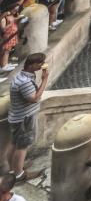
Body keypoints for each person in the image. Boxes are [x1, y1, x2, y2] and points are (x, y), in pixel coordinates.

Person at [7, 52, 48, 183]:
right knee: (22, 146)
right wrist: (45, 80)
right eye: (40, 63)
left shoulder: (21, 75)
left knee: (14, 143)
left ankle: (13, 169)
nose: (42, 65)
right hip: (24, 118)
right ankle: (19, 175)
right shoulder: (24, 82)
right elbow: (34, 98)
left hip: (16, 116)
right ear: (32, 65)